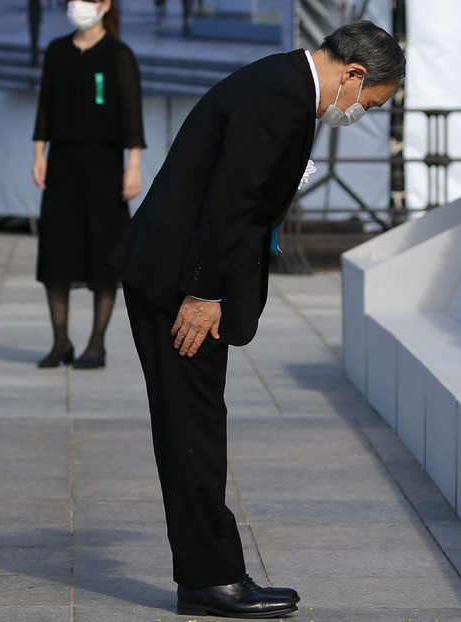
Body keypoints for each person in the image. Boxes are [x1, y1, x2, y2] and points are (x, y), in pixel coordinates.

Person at [108, 20, 404, 618]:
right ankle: (209, 579)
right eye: (368, 103)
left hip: (183, 276)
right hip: (180, 284)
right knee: (191, 430)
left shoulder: (284, 84)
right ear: (353, 74)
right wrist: (204, 293)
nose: (359, 113)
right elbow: (229, 202)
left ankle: (210, 571)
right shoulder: (279, 97)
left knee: (197, 426)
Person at [31, 0, 144, 369]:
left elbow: (132, 116)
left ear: (105, 5)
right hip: (62, 163)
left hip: (104, 166)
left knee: (103, 252)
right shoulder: (57, 51)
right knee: (57, 251)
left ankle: (96, 345)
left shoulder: (119, 54)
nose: (78, 6)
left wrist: (133, 167)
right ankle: (60, 340)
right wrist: (39, 154)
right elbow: (44, 107)